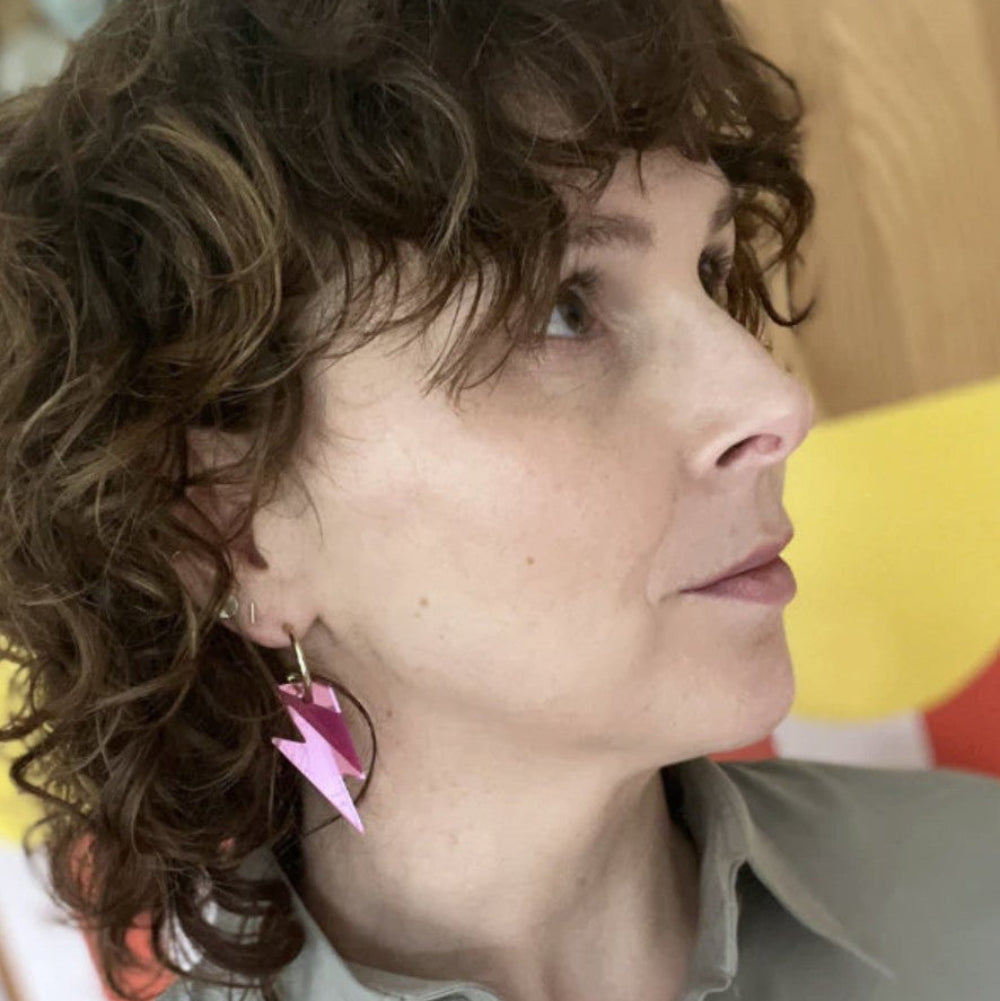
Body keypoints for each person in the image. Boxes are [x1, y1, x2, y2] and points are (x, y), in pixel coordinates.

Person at [1, 1, 998, 1000]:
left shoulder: (973, 886)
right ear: (228, 524)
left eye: (709, 269)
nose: (774, 399)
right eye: (563, 307)